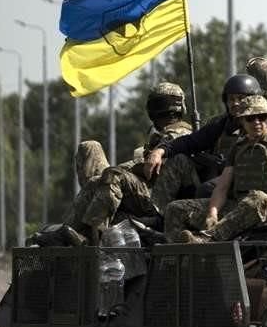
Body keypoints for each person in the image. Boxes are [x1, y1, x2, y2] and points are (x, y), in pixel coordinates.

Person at [63, 83, 192, 242]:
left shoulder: (182, 135)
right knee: (90, 148)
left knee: (108, 176)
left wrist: (117, 172)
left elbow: (148, 169)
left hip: (155, 200)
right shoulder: (156, 139)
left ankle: (92, 235)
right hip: (134, 191)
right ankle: (74, 231)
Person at [165, 95, 267, 243]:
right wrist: (212, 214)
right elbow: (222, 187)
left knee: (258, 198)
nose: (257, 122)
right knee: (175, 208)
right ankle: (175, 257)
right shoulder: (239, 147)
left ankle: (207, 239)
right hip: (240, 206)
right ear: (242, 121)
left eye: (262, 117)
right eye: (250, 118)